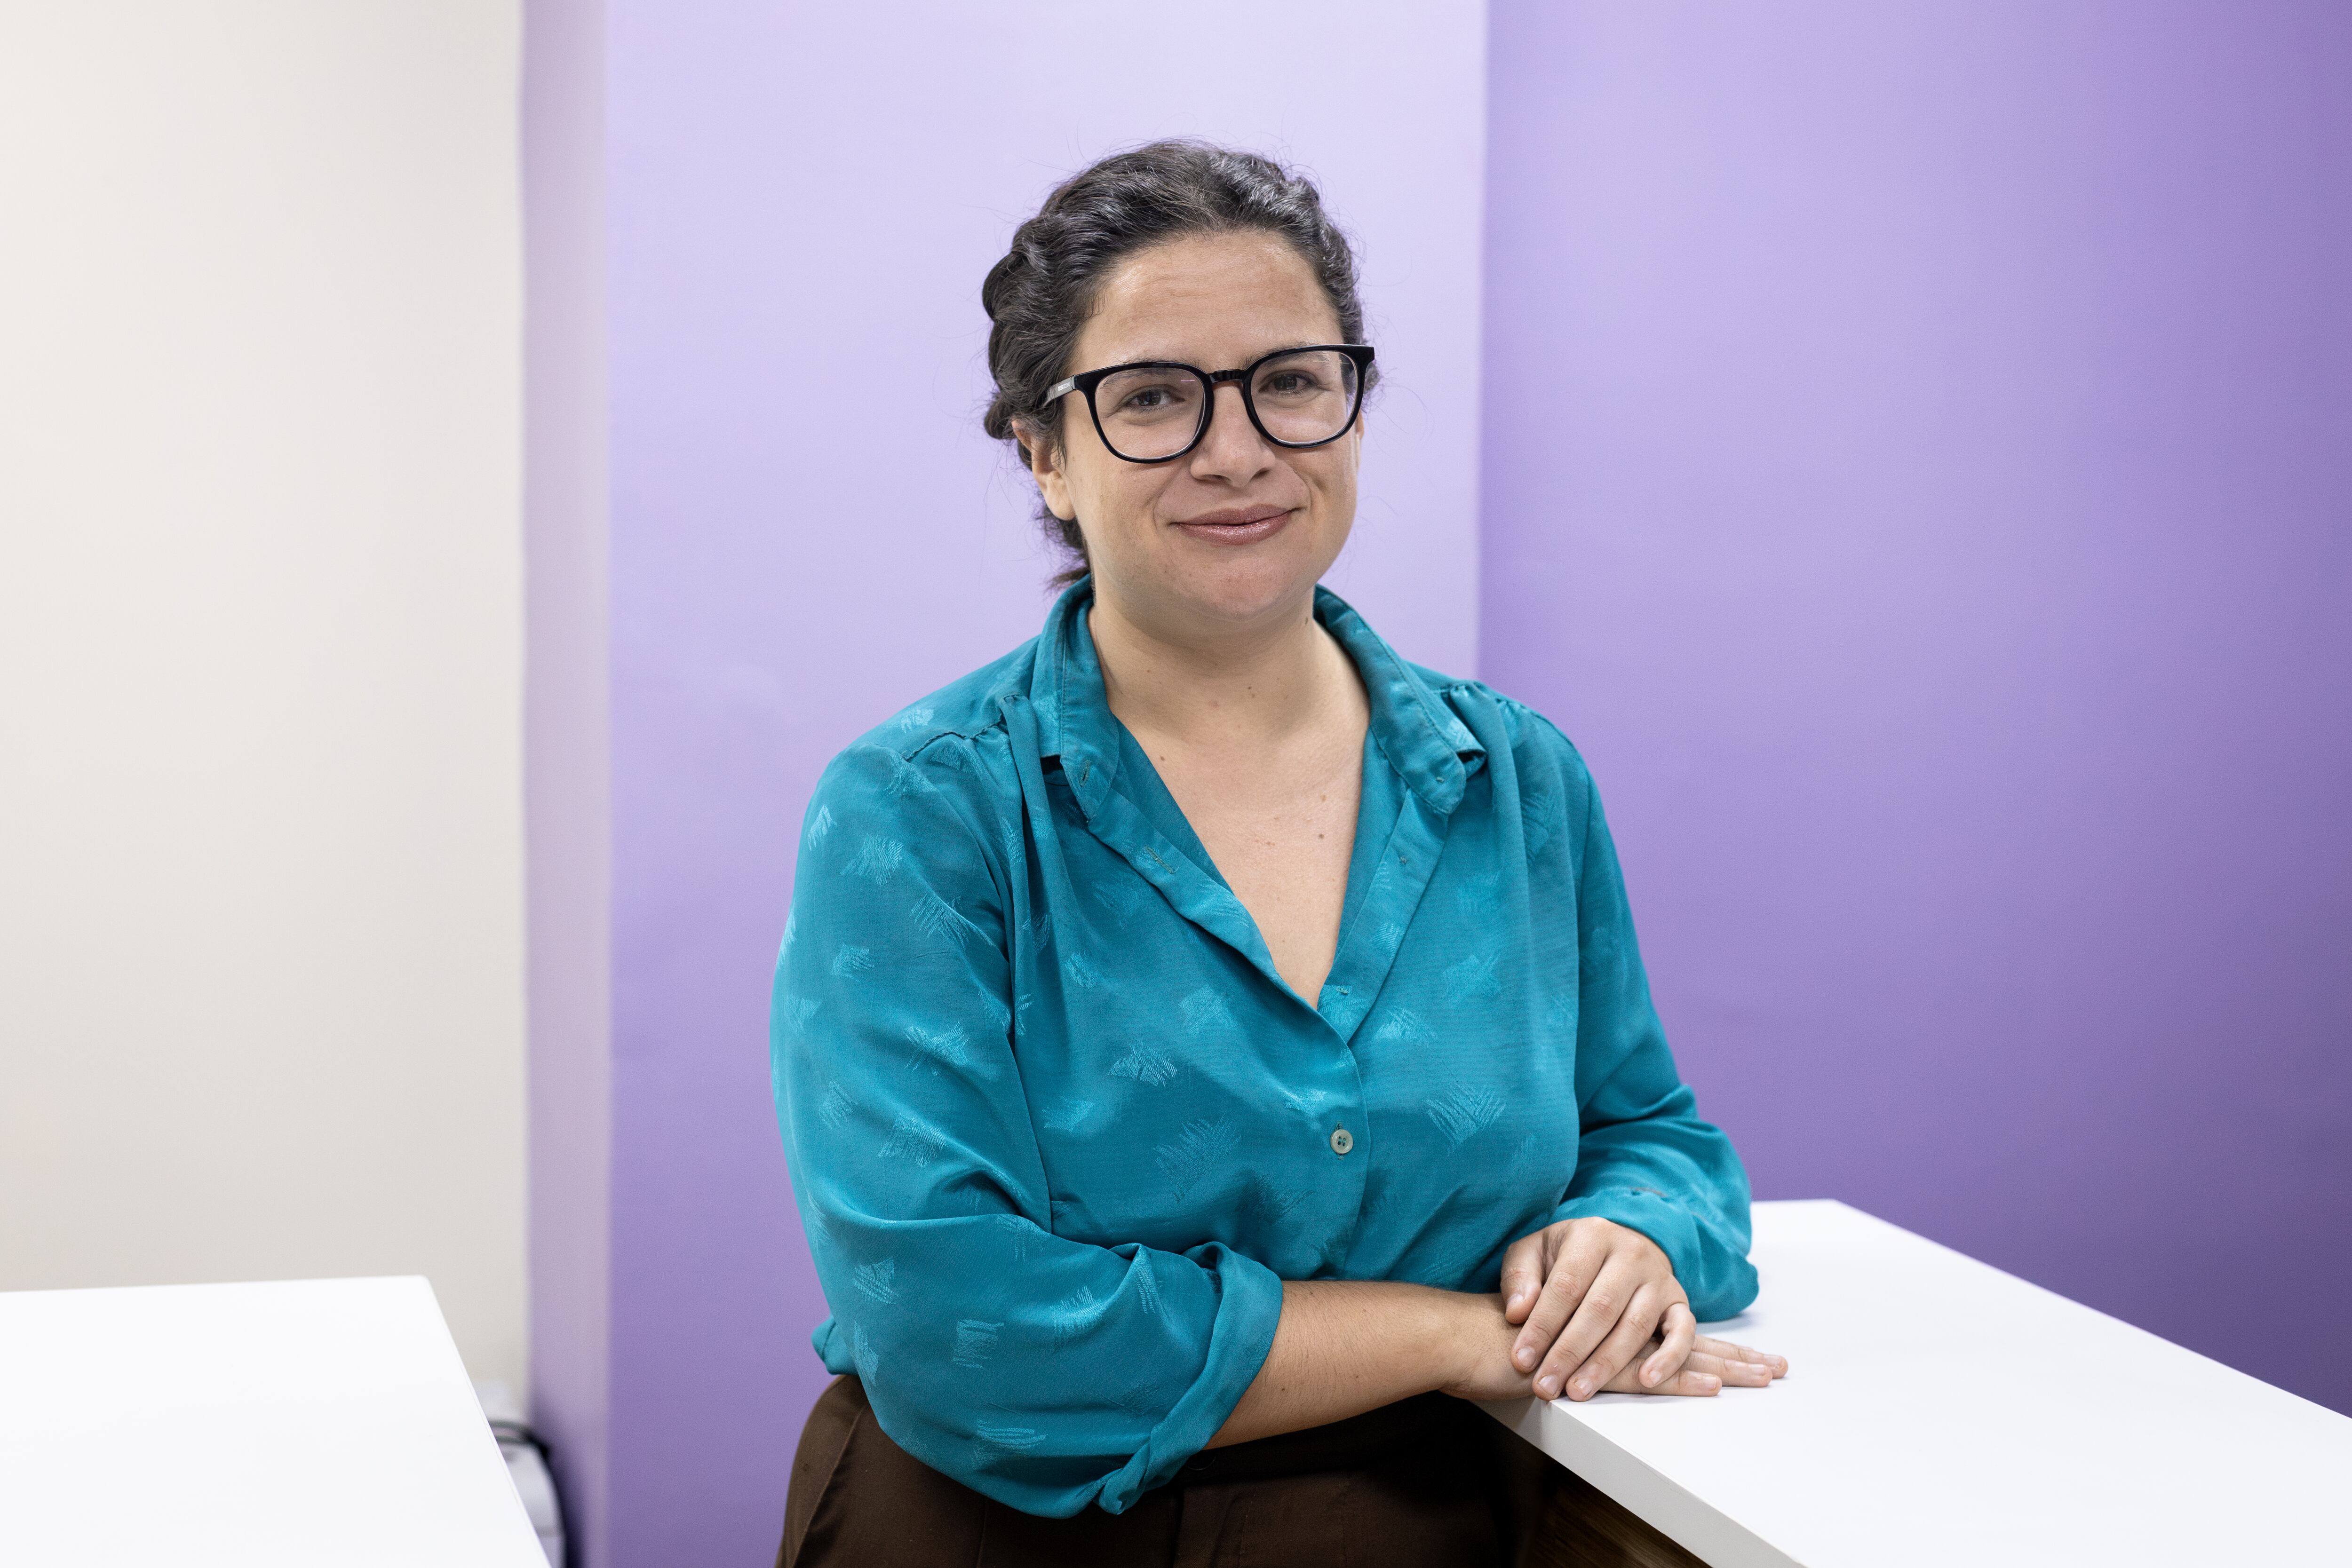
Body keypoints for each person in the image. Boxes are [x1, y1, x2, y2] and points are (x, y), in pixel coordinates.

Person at [770, 140, 1783, 1568]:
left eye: (1291, 382)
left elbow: (1654, 1139)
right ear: (1046, 454)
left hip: (1453, 1518)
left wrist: (1637, 1237)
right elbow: (953, 1321)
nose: (1237, 450)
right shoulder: (922, 809)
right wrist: (1450, 1335)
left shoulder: (1518, 780)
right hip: (1018, 1533)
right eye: (1155, 399)